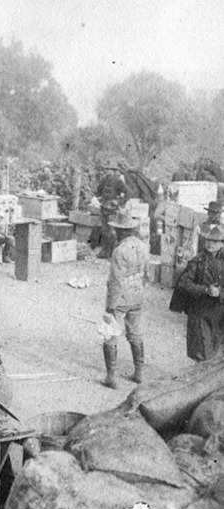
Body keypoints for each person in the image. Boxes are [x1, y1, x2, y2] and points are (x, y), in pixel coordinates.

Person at [102, 211, 149, 389]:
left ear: (121, 231)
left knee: (110, 334)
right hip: (137, 295)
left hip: (120, 298)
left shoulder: (119, 251)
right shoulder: (143, 246)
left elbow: (115, 280)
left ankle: (111, 376)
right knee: (135, 333)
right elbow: (147, 274)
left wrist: (110, 306)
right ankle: (139, 372)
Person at [171, 225, 224, 361]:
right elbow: (183, 283)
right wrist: (205, 290)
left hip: (218, 313)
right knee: (201, 350)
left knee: (215, 350)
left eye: (215, 241)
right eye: (208, 240)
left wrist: (220, 293)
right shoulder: (198, 261)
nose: (210, 244)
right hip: (199, 311)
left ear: (222, 243)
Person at [96, 163, 128, 258]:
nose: (108, 171)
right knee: (105, 230)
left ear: (115, 171)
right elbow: (98, 191)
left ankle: (113, 252)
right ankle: (105, 251)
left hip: (113, 209)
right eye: (107, 169)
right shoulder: (104, 180)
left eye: (110, 169)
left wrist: (118, 201)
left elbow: (126, 193)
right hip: (104, 207)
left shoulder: (119, 181)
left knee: (112, 231)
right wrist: (98, 199)